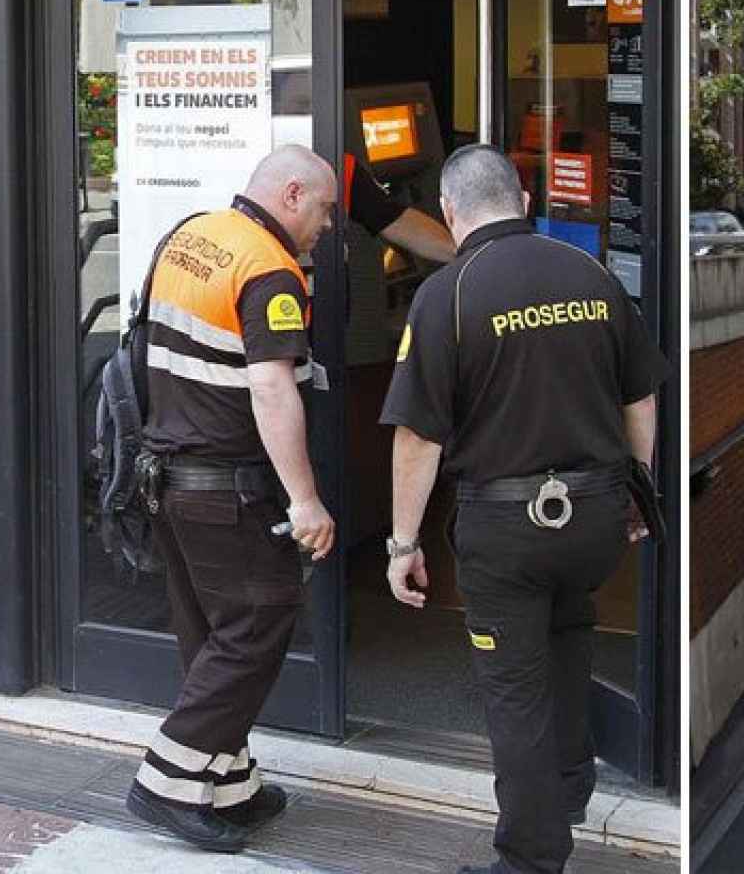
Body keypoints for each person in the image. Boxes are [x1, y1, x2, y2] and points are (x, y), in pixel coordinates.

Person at [378, 144, 669, 874]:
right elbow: (641, 395)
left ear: (449, 211)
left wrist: (402, 544)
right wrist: (638, 487)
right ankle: (569, 787)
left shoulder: (447, 293)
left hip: (506, 530)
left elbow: (418, 436)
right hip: (596, 515)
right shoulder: (593, 277)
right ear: (524, 198)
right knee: (569, 643)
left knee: (515, 690)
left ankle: (531, 858)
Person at [124, 145, 338, 853]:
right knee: (258, 622)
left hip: (167, 475)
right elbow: (273, 386)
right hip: (223, 485)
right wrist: (305, 501)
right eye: (325, 209)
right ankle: (167, 779)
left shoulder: (193, 233)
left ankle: (229, 782)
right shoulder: (268, 269)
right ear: (292, 194)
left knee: (209, 637)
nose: (328, 226)